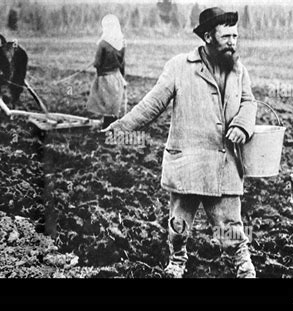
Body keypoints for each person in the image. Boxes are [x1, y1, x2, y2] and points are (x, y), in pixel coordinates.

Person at [103, 7, 257, 278]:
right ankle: (177, 261)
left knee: (229, 226)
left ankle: (244, 267)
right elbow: (152, 104)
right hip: (187, 162)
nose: (233, 42)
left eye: (236, 36)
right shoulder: (179, 67)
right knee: (179, 224)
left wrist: (242, 126)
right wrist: (122, 126)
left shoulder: (238, 70)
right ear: (208, 37)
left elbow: (248, 102)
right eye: (227, 36)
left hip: (224, 162)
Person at [86, 14, 127, 130]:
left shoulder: (102, 43)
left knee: (105, 104)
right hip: (117, 77)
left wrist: (94, 63)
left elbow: (97, 63)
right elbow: (123, 62)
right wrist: (123, 78)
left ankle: (106, 128)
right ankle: (111, 126)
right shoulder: (122, 42)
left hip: (105, 78)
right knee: (114, 105)